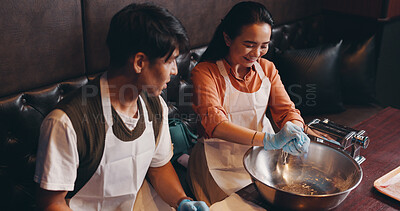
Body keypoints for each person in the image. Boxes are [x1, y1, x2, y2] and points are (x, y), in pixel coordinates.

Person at [34, 3, 208, 211]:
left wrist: (182, 201)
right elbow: (51, 203)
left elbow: (158, 168)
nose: (174, 70)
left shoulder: (155, 105)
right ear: (139, 62)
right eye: (169, 61)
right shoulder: (66, 122)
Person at [188, 1, 312, 206]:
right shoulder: (205, 72)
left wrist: (295, 129)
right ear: (228, 38)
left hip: (261, 160)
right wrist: (269, 140)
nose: (256, 53)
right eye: (249, 44)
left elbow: (287, 111)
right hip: (219, 163)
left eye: (264, 46)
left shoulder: (267, 69)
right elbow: (216, 125)